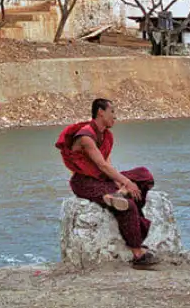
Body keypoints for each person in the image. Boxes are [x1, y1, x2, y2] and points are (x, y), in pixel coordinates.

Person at [56, 98, 159, 269]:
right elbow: (101, 165)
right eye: (112, 112)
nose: (115, 116)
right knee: (128, 206)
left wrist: (119, 182)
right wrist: (126, 182)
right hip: (85, 182)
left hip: (102, 178)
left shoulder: (105, 135)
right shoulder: (85, 136)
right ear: (100, 112)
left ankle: (116, 193)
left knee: (143, 174)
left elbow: (107, 165)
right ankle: (137, 253)